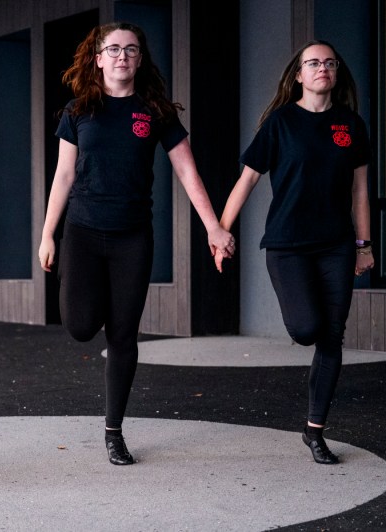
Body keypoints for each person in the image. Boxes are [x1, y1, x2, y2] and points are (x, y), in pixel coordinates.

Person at [38, 22, 234, 466]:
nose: (123, 56)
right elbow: (64, 176)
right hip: (83, 234)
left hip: (132, 238)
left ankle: (114, 432)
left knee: (124, 335)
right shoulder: (78, 111)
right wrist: (48, 233)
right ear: (98, 58)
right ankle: (98, 299)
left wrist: (213, 228)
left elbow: (188, 172)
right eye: (114, 49)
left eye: (131, 49)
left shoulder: (156, 112)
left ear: (140, 59)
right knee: (80, 326)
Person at [214, 40, 373, 464]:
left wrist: (364, 245)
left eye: (329, 62)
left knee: (332, 337)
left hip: (337, 245)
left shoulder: (351, 125)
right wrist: (220, 231)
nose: (322, 68)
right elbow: (246, 181)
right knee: (307, 329)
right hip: (287, 246)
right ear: (298, 75)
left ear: (336, 73)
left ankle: (315, 431)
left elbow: (360, 190)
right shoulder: (280, 123)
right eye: (313, 63)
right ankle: (314, 406)